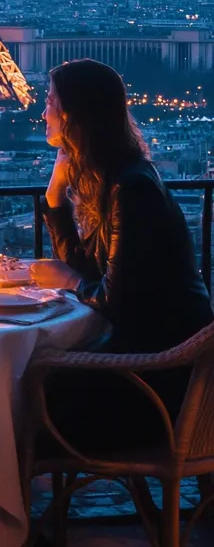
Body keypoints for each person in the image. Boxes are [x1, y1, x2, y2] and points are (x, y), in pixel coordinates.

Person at [31, 58, 213, 453]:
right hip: (155, 365)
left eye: (49, 102)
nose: (43, 111)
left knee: (19, 393)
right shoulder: (121, 178)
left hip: (156, 384)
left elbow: (114, 297)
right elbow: (93, 268)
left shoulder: (130, 190)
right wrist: (54, 199)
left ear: (74, 115)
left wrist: (67, 281)